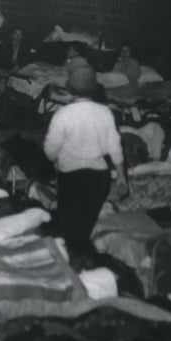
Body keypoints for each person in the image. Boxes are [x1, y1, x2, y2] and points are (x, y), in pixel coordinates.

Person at [43, 65, 129, 265]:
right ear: (93, 88)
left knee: (67, 232)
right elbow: (115, 149)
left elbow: (50, 152)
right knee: (84, 231)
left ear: (70, 88)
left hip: (72, 178)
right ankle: (85, 267)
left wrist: (59, 157)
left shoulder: (63, 114)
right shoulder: (105, 112)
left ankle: (67, 269)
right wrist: (122, 177)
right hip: (98, 179)